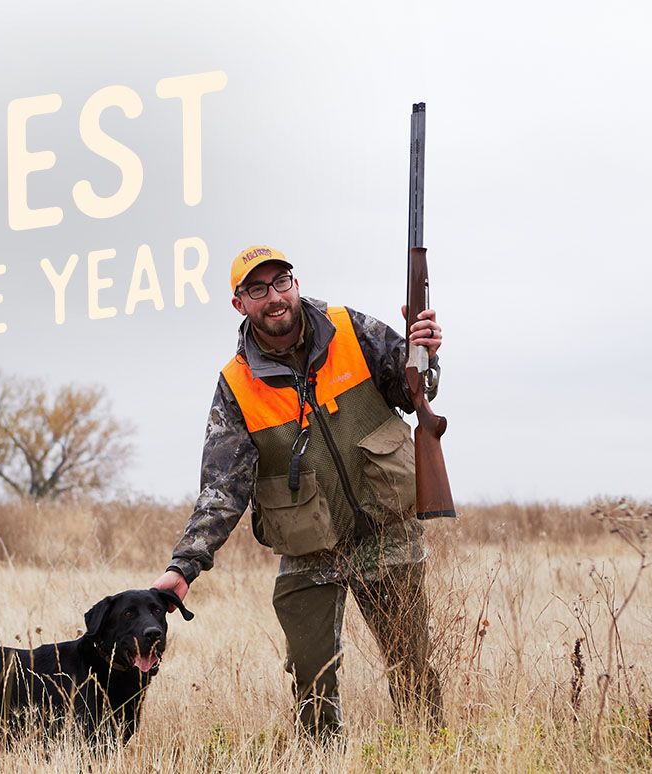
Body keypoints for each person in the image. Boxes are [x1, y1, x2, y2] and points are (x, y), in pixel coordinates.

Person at [152, 244, 445, 738]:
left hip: (387, 532)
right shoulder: (236, 385)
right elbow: (223, 491)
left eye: (281, 281)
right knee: (312, 683)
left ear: (295, 283)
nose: (274, 297)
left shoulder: (350, 329)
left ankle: (433, 754)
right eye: (257, 289)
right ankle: (322, 761)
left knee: (412, 667)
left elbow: (415, 391)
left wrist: (425, 354)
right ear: (239, 304)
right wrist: (182, 568)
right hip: (308, 549)